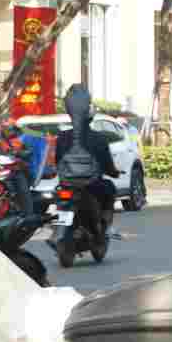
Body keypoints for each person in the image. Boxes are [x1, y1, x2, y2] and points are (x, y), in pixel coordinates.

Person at [54, 85, 121, 238]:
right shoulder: (99, 138)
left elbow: (57, 160)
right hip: (91, 185)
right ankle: (107, 226)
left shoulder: (62, 137)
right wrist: (114, 173)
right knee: (109, 188)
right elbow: (107, 164)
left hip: (67, 184)